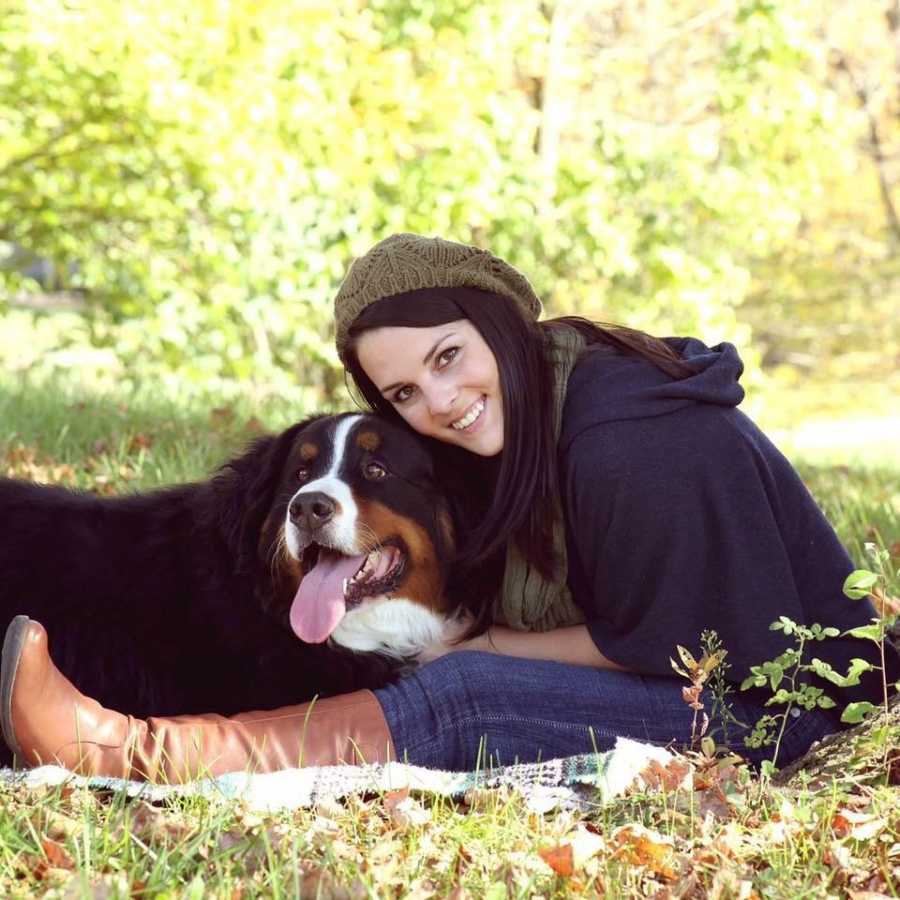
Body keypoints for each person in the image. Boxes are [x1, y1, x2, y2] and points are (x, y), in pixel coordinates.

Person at [3, 233, 897, 782]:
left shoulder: (627, 439)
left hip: (771, 708)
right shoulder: (530, 422)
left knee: (465, 691)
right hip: (713, 669)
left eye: (447, 355)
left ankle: (129, 753)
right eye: (401, 390)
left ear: (497, 322)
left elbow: (681, 646)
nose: (439, 400)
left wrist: (487, 647)